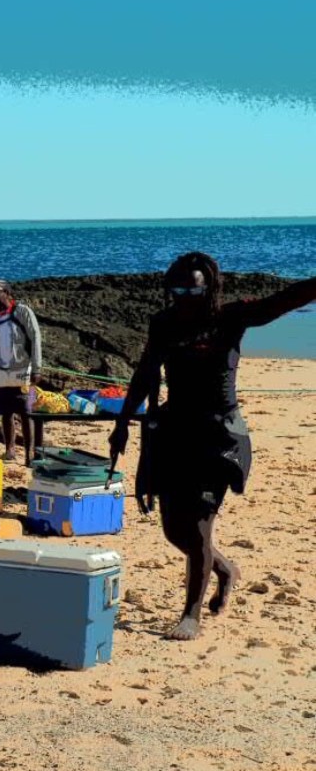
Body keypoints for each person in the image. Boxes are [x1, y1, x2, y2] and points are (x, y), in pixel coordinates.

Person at [109, 252, 315, 641]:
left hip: (219, 436)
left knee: (199, 526)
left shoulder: (230, 317)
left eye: (194, 290)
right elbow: (145, 373)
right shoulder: (164, 323)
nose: (186, 297)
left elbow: (283, 301)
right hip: (175, 432)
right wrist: (121, 423)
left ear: (210, 288)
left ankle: (191, 616)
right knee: (174, 531)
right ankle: (224, 568)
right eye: (179, 290)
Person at [0, 279, 42, 461]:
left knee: (27, 411)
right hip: (0, 371)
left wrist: (37, 368)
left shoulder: (23, 312)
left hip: (23, 369)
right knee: (5, 411)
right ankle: (10, 450)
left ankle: (30, 452)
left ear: (7, 293)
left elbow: (35, 339)